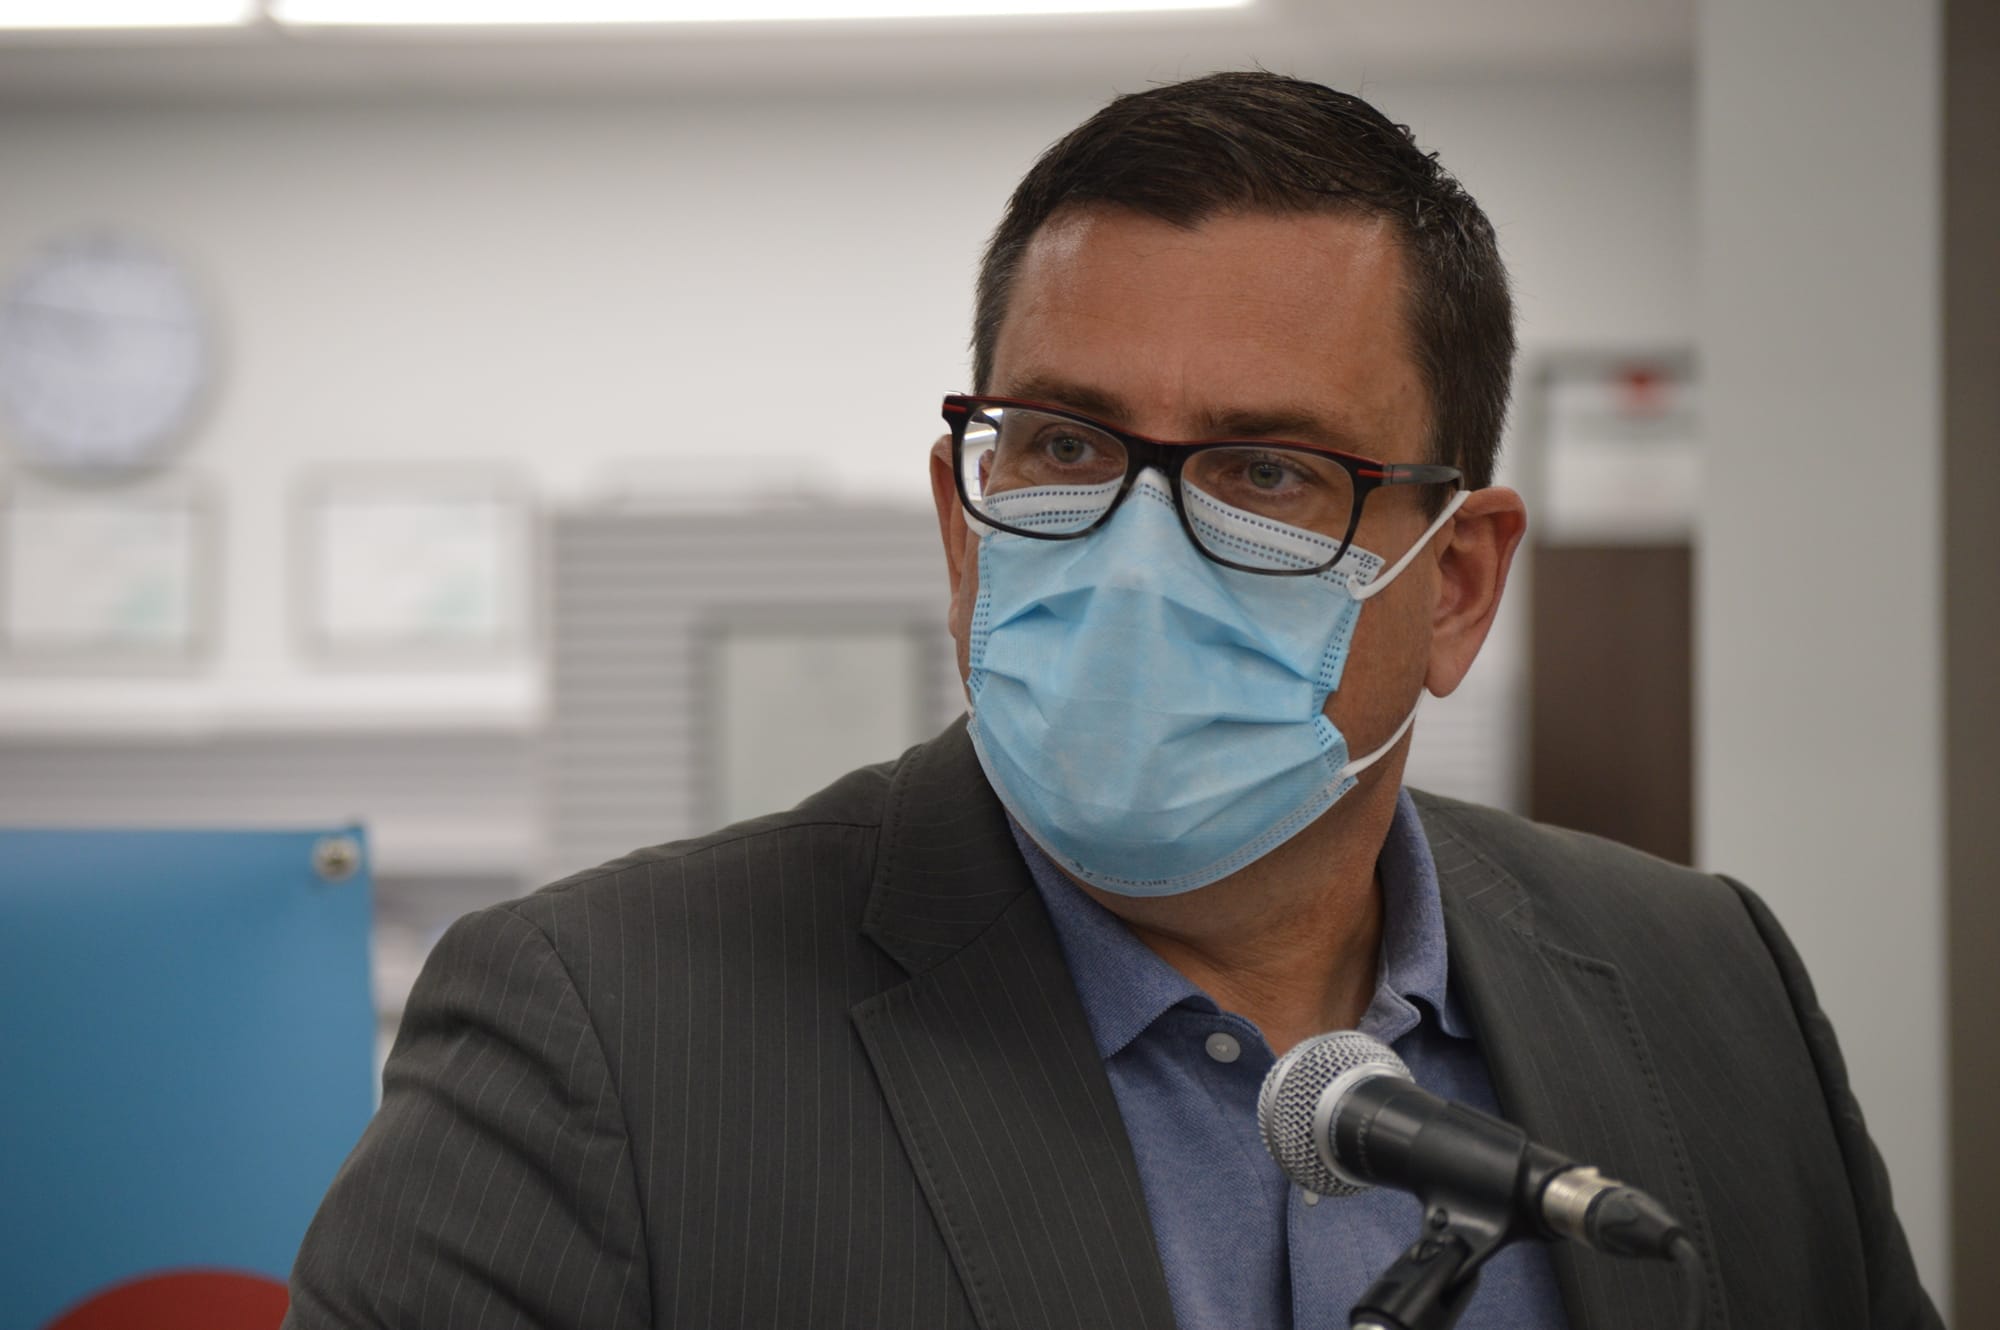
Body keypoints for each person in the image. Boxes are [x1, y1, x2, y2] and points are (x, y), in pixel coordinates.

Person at [284, 73, 1941, 1330]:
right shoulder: (603, 1035)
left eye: (1266, 470)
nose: (1138, 552)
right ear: (964, 519)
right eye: (1068, 446)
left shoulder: (1708, 984)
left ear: (1455, 585)